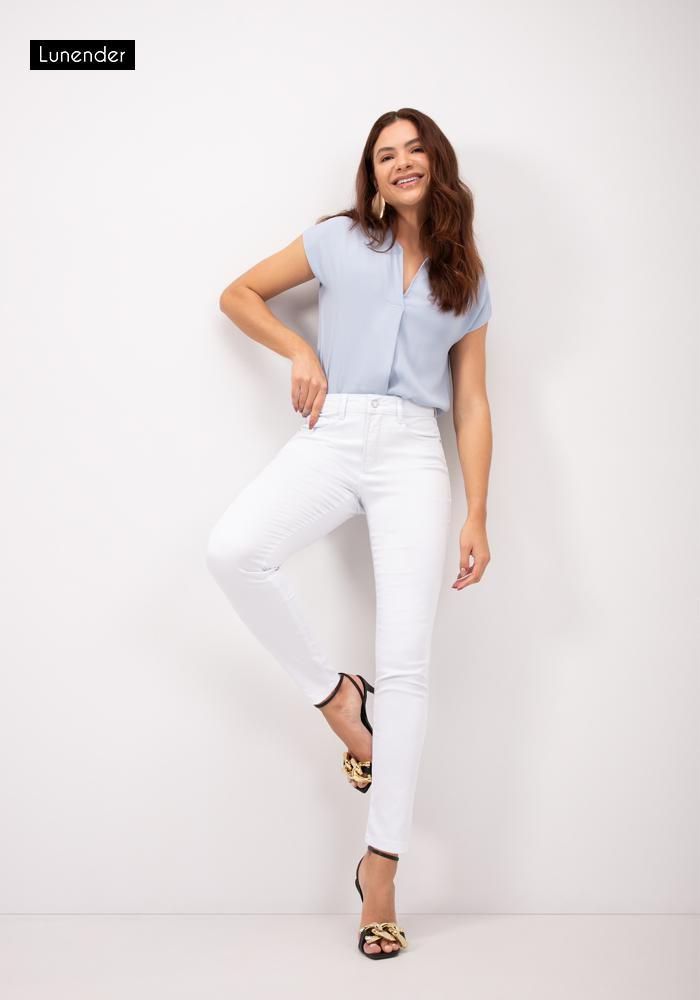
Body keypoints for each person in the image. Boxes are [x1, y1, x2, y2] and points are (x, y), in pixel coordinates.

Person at [207, 108, 493, 959]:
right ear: (372, 175)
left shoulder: (466, 275)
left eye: (414, 150)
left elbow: (471, 401)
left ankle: (381, 871)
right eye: (385, 155)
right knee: (234, 550)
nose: (401, 164)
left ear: (437, 163)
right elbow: (237, 294)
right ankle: (338, 699)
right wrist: (299, 351)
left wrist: (478, 510)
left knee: (408, 664)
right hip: (332, 434)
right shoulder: (337, 240)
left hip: (412, 453)